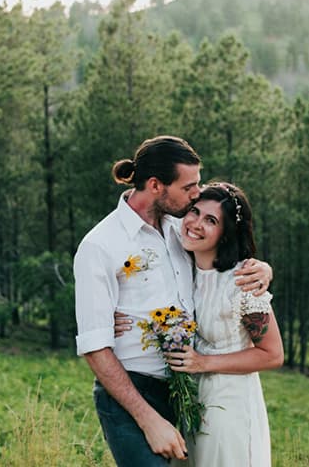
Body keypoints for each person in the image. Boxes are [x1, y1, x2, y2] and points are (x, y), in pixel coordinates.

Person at [73, 136, 273, 467]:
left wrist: (263, 270)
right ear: (155, 185)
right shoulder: (101, 245)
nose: (197, 194)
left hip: (184, 391)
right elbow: (95, 347)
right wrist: (148, 419)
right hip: (131, 392)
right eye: (189, 187)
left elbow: (226, 249)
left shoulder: (182, 228)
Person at [165, 182, 284, 467]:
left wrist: (202, 363)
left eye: (211, 220)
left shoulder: (243, 282)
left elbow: (272, 354)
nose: (195, 223)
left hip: (229, 404)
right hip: (190, 401)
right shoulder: (182, 270)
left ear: (225, 233)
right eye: (194, 212)